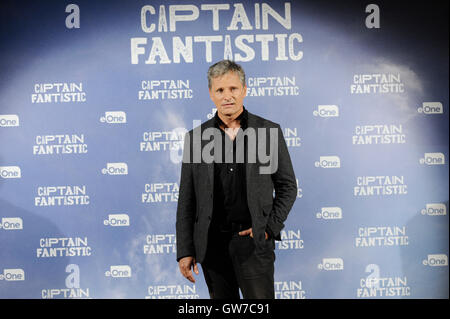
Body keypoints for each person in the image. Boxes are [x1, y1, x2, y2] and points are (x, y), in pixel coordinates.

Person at [176, 60, 297, 299]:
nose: (227, 96)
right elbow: (186, 200)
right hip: (212, 247)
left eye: (233, 89)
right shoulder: (196, 138)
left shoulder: (267, 132)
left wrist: (268, 228)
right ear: (211, 94)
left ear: (244, 90)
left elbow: (287, 186)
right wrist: (185, 250)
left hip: (253, 244)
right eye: (220, 90)